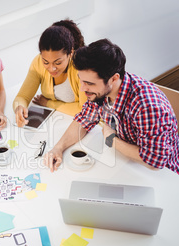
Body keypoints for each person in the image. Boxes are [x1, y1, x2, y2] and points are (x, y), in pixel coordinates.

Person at [44, 39, 179, 174]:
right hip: (127, 162)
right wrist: (58, 148)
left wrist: (111, 140)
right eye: (81, 80)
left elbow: (155, 161)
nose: (82, 88)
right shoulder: (100, 91)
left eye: (89, 83)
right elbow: (84, 119)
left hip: (163, 175)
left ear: (114, 79)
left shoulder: (147, 107)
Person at [13, 19, 88, 127]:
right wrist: (19, 107)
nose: (52, 68)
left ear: (70, 53)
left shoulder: (81, 68)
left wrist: (48, 103)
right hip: (57, 121)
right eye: (46, 62)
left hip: (80, 124)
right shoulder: (38, 63)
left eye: (58, 62)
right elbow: (22, 96)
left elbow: (84, 110)